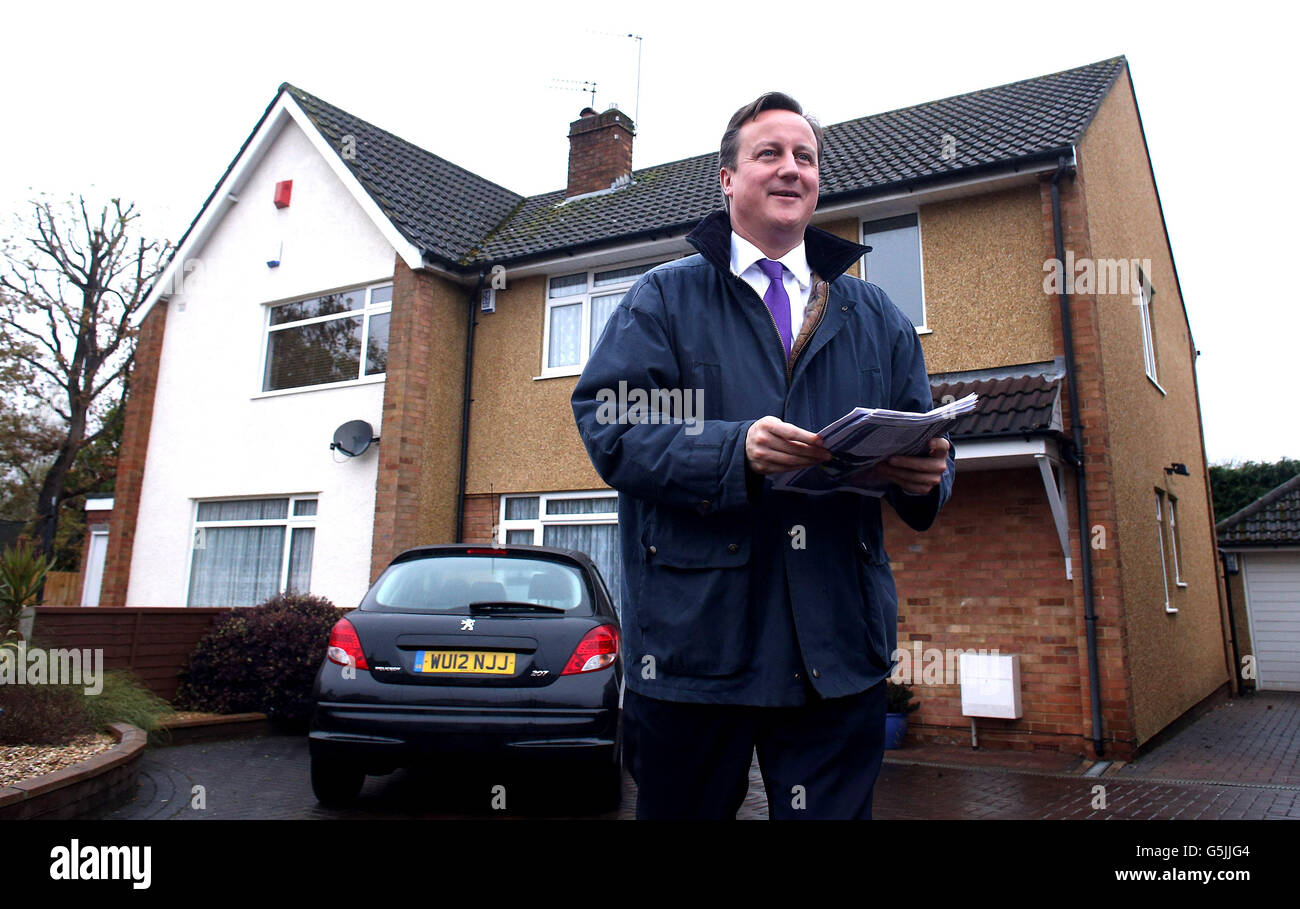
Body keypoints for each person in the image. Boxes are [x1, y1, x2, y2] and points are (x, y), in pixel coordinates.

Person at [570, 92, 955, 819]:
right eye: (769, 153)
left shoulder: (875, 317)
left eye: (804, 157)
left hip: (837, 651)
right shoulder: (665, 299)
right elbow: (611, 423)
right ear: (726, 178)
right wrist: (732, 449)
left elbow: (929, 435)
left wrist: (926, 475)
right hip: (695, 652)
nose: (790, 168)